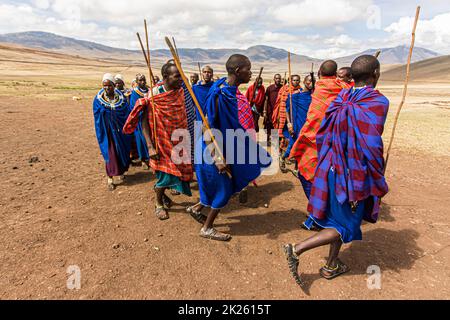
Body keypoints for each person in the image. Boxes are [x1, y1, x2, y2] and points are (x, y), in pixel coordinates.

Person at [283, 55, 390, 286]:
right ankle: (295, 249)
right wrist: (377, 167)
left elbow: (324, 134)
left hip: (331, 167)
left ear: (351, 77)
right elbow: (371, 143)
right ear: (376, 74)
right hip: (354, 173)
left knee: (338, 217)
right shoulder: (378, 101)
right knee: (347, 224)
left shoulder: (341, 97)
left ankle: (332, 264)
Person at [186, 54, 272, 241]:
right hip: (212, 149)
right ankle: (207, 228)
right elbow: (208, 125)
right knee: (224, 189)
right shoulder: (221, 95)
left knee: (221, 184)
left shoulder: (227, 89)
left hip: (225, 147)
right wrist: (217, 157)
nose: (251, 73)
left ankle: (195, 208)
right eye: (248, 69)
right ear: (237, 70)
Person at [123, 62, 193, 220]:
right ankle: (158, 203)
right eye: (177, 76)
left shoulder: (180, 91)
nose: (181, 79)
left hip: (179, 139)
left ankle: (162, 195)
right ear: (166, 77)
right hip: (161, 140)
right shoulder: (154, 95)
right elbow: (144, 122)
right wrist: (149, 146)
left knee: (178, 172)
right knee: (165, 175)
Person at [289, 60, 352, 230]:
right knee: (326, 178)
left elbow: (314, 120)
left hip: (315, 143)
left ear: (318, 74)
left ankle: (319, 215)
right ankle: (318, 215)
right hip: (337, 144)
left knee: (307, 174)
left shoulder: (320, 88)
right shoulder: (346, 89)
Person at [93, 74, 132, 191]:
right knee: (110, 154)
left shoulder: (121, 99)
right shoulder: (98, 100)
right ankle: (110, 178)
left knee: (121, 151)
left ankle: (121, 172)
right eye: (104, 86)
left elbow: (125, 112)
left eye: (109, 86)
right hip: (108, 132)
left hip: (119, 131)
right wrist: (105, 113)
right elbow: (97, 114)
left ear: (114, 86)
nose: (106, 88)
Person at [283, 75, 313, 169]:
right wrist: (289, 124)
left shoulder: (314, 96)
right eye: (309, 81)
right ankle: (283, 158)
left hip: (308, 124)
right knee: (294, 144)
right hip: (297, 124)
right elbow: (287, 110)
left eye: (313, 81)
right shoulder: (295, 95)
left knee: (304, 146)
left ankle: (297, 167)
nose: (311, 83)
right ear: (304, 82)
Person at [129, 73, 150, 169]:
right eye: (140, 80)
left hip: (150, 119)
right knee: (140, 140)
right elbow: (134, 107)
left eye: (144, 79)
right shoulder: (135, 93)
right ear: (137, 82)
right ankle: (143, 159)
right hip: (140, 121)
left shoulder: (150, 90)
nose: (143, 82)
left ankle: (150, 158)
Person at [263, 74, 283, 146]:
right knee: (268, 124)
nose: (278, 80)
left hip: (278, 110)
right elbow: (266, 99)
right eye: (276, 78)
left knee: (276, 124)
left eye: (279, 78)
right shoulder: (269, 88)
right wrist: (264, 111)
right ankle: (267, 140)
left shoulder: (282, 88)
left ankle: (275, 140)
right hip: (270, 110)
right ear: (274, 79)